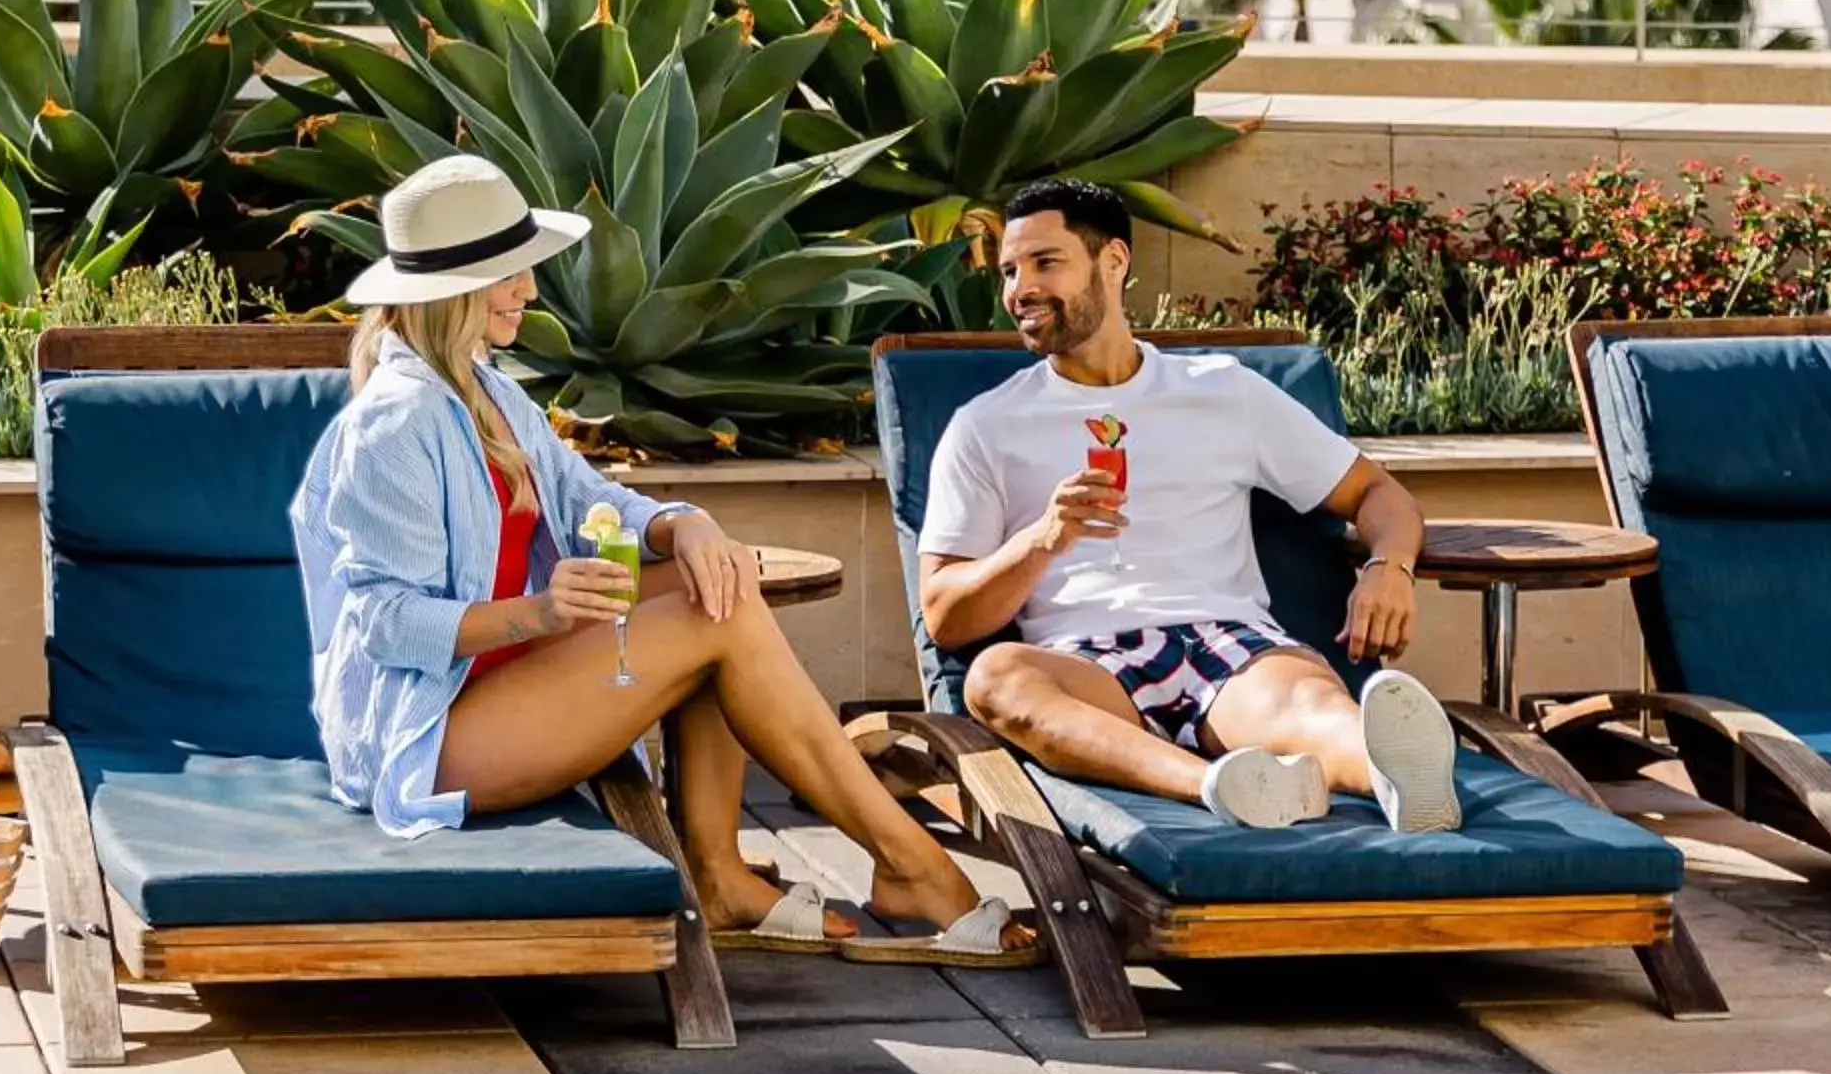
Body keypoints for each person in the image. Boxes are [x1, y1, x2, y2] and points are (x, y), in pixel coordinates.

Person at [296, 155, 1034, 963]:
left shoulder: (489, 392)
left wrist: (686, 526)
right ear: (454, 289)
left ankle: (723, 877)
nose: (531, 292)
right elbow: (384, 625)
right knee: (709, 619)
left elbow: (592, 503)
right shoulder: (395, 424)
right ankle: (910, 866)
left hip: (500, 681)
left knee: (716, 578)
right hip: (426, 733)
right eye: (511, 275)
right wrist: (537, 613)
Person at [915, 178, 1465, 834]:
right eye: (1009, 271)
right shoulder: (986, 425)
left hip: (1228, 645)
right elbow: (945, 616)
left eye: (1045, 263)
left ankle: (1395, 773)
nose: (1020, 289)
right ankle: (1218, 784)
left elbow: (1379, 495)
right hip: (1085, 667)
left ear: (1113, 261)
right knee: (994, 679)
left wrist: (1389, 568)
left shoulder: (1223, 392)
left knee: (1312, 706)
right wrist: (1042, 540)